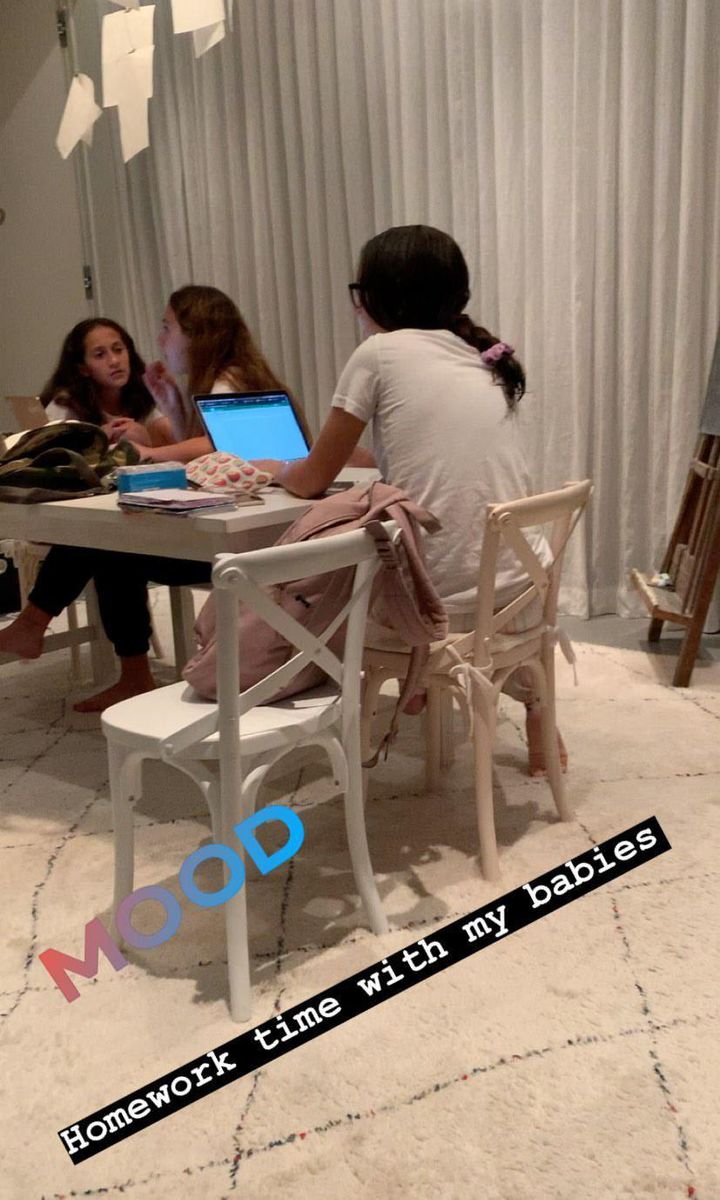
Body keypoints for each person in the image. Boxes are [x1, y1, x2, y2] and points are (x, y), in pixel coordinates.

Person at [250, 224, 564, 775]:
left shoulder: (378, 354)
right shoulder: (480, 356)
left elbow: (312, 478)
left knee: (317, 588)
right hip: (520, 593)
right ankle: (529, 708)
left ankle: (387, 689)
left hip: (437, 608)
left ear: (377, 297)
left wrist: (271, 468)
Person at [0, 286, 306, 712]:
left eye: (167, 328)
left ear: (195, 334)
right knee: (110, 543)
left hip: (242, 544)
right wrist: (174, 408)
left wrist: (149, 451)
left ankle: (101, 658)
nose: (159, 339)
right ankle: (44, 629)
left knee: (111, 546)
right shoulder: (237, 377)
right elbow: (213, 457)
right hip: (260, 532)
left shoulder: (226, 384)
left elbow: (217, 450)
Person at [40, 317, 172, 446]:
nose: (114, 361)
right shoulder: (66, 403)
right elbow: (44, 452)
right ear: (83, 369)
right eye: (100, 355)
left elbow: (171, 435)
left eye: (118, 350)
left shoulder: (140, 394)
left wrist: (148, 439)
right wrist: (97, 440)